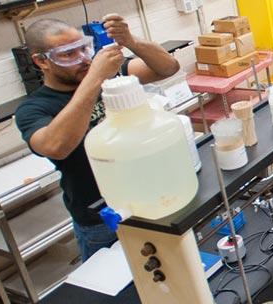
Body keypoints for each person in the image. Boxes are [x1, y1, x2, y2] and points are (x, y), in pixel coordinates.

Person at [15, 15, 180, 260]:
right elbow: (56, 146)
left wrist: (131, 41)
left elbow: (167, 67)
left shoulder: (114, 78)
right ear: (42, 61)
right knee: (117, 293)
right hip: (102, 220)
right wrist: (95, 77)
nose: (83, 59)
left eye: (84, 48)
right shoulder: (35, 108)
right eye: (68, 54)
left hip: (147, 199)